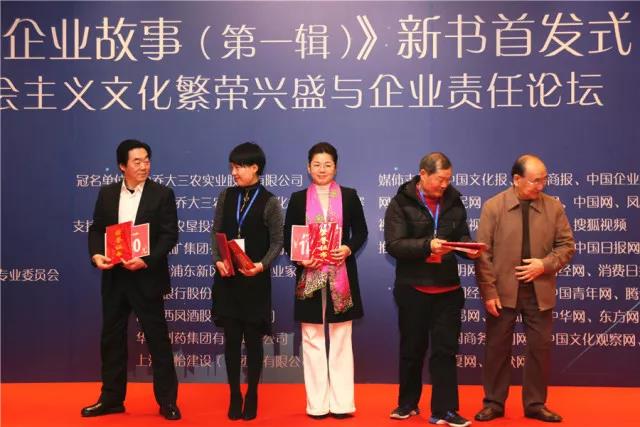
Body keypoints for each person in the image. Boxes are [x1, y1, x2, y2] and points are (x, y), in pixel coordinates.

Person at [83, 139, 181, 420]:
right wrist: (96, 255)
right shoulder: (107, 194)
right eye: (137, 161)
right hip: (115, 277)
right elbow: (96, 230)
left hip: (146, 277)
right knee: (111, 340)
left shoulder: (162, 194)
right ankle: (111, 399)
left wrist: (146, 259)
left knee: (157, 340)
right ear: (122, 166)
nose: (144, 166)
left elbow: (169, 235)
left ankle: (167, 401)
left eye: (147, 160)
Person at [474, 154, 575, 423]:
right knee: (497, 349)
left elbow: (567, 246)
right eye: (535, 181)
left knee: (539, 349)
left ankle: (535, 404)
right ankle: (494, 403)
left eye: (544, 180)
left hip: (539, 291)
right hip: (503, 291)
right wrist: (489, 291)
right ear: (517, 179)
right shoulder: (494, 206)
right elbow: (482, 254)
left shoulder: (553, 207)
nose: (541, 186)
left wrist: (544, 265)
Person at [384, 152, 478, 427]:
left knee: (445, 351)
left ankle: (445, 410)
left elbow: (461, 235)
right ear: (423, 174)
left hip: (448, 290)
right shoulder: (401, 202)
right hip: (413, 288)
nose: (445, 185)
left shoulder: (454, 201)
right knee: (412, 349)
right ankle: (407, 403)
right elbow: (394, 245)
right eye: (440, 179)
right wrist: (428, 245)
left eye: (448, 179)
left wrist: (468, 248)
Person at [283, 142, 368, 419]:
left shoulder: (349, 196)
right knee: (312, 338)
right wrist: (301, 258)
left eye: (327, 164)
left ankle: (342, 404)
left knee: (341, 337)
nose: (322, 169)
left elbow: (361, 232)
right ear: (308, 168)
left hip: (341, 274)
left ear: (336, 167)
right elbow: (288, 237)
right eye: (317, 164)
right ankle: (317, 404)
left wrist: (348, 248)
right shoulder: (297, 199)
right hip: (309, 274)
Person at [211, 142, 283, 421]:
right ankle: (234, 395)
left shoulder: (270, 201)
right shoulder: (226, 196)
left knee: (253, 342)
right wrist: (217, 260)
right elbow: (216, 232)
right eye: (232, 167)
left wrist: (261, 265)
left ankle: (252, 394)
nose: (234, 172)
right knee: (231, 341)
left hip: (254, 283)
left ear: (255, 168)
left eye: (239, 167)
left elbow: (277, 242)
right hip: (228, 280)